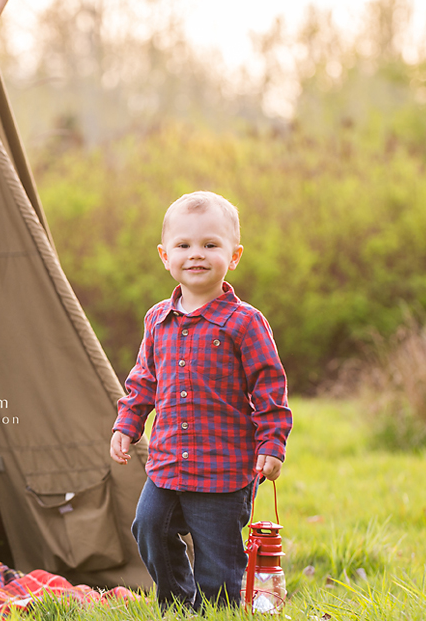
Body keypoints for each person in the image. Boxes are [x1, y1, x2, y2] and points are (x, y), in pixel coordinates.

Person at [110, 191, 291, 613]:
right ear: (164, 255)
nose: (196, 255)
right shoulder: (157, 320)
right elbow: (144, 380)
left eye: (211, 245)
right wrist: (126, 425)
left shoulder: (244, 322)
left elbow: (269, 387)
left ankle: (220, 609)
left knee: (218, 561)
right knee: (149, 527)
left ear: (234, 255)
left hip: (222, 469)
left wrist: (272, 444)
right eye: (184, 245)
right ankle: (178, 604)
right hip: (167, 462)